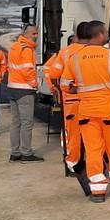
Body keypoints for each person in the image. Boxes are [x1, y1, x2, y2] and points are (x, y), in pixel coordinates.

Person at [61, 20, 110, 203]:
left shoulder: (74, 59)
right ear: (100, 35)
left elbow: (64, 85)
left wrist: (80, 91)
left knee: (93, 150)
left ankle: (98, 192)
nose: (107, 34)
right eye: (106, 32)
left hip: (86, 113)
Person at [42, 24, 88, 177]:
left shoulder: (65, 53)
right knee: (91, 133)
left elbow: (52, 73)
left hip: (70, 100)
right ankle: (92, 163)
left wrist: (56, 89)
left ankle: (72, 163)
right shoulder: (96, 52)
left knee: (72, 134)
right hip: (90, 100)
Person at [7, 25, 44, 163]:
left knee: (15, 123)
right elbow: (27, 70)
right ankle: (26, 153)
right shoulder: (27, 49)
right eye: (34, 33)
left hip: (12, 88)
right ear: (27, 34)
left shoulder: (15, 47)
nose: (36, 36)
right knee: (27, 123)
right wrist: (35, 84)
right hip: (24, 90)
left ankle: (15, 153)